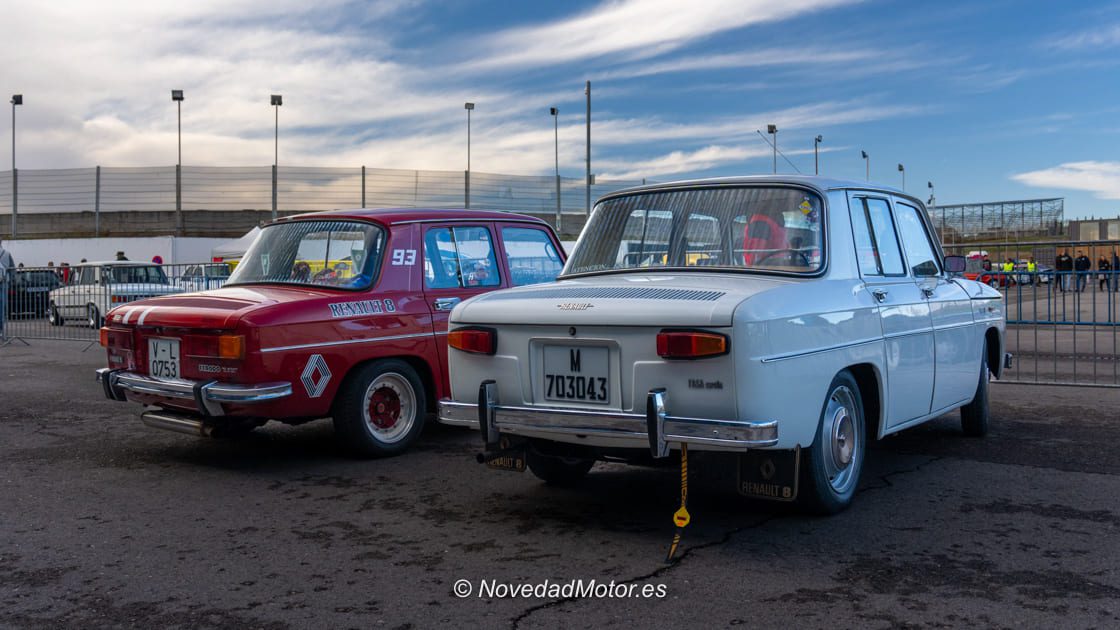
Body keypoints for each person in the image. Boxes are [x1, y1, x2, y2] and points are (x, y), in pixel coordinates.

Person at [0, 237, 15, 340]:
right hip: (4, 283)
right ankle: (1, 331)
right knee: (2, 307)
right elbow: (13, 269)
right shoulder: (7, 253)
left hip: (4, 283)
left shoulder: (6, 253)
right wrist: (11, 281)